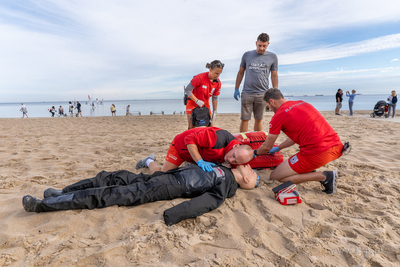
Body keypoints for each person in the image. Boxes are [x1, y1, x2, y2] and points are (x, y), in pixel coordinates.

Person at [22, 164, 258, 226]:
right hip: (160, 177)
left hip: (167, 188)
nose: (251, 168)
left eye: (253, 172)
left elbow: (207, 203)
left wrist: (173, 214)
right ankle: (62, 191)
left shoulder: (227, 186)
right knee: (112, 176)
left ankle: (44, 204)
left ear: (247, 179)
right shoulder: (224, 166)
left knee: (111, 194)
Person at [254, 89, 344, 195]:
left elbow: (266, 147)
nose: (270, 109)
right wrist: (279, 148)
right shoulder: (302, 103)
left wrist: (254, 153)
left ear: (272, 101)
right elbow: (294, 138)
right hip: (337, 146)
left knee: (276, 176)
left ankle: (324, 177)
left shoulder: (278, 116)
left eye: (268, 106)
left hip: (318, 152)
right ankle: (308, 170)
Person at [136, 127, 254, 174]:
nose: (230, 159)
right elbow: (189, 139)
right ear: (235, 147)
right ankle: (149, 161)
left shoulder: (237, 156)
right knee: (161, 174)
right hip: (181, 146)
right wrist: (199, 161)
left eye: (234, 161)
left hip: (198, 154)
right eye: (233, 155)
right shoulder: (217, 138)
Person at [234, 33, 278, 133]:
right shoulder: (247, 55)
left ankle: (257, 141)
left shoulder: (273, 57)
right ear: (256, 43)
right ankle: (243, 141)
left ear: (268, 44)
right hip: (247, 93)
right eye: (259, 45)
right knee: (244, 119)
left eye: (264, 46)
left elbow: (274, 75)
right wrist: (236, 88)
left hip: (262, 94)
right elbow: (241, 72)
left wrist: (275, 91)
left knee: (259, 119)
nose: (261, 48)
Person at [184, 60, 224, 129]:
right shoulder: (200, 78)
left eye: (219, 74)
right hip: (192, 101)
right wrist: (197, 101)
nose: (217, 76)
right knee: (192, 126)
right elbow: (187, 90)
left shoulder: (218, 83)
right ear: (210, 70)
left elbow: (215, 97)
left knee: (210, 125)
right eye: (216, 73)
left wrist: (214, 111)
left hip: (205, 103)